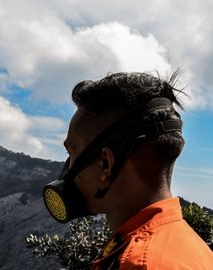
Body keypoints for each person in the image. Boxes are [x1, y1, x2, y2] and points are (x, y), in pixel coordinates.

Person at [45, 72, 213, 269]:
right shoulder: (192, 247)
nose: (68, 167)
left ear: (105, 164)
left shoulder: (140, 263)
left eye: (71, 152)